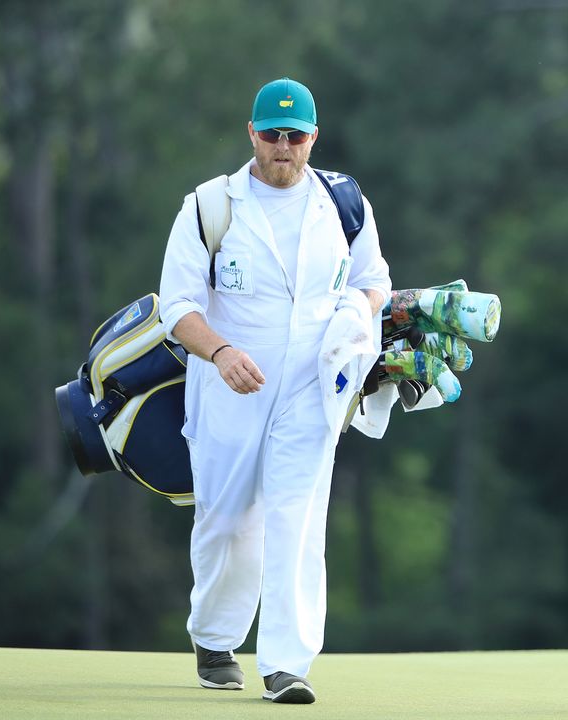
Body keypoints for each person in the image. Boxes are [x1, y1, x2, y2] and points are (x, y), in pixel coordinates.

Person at [159, 77, 391, 704]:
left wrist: (357, 320)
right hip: (228, 384)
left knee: (298, 516)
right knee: (228, 520)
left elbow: (374, 280)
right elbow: (176, 304)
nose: (283, 147)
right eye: (272, 134)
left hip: (311, 387)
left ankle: (286, 664)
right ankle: (214, 638)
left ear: (314, 137)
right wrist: (221, 351)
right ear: (251, 134)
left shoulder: (344, 203)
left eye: (295, 136)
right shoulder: (210, 205)